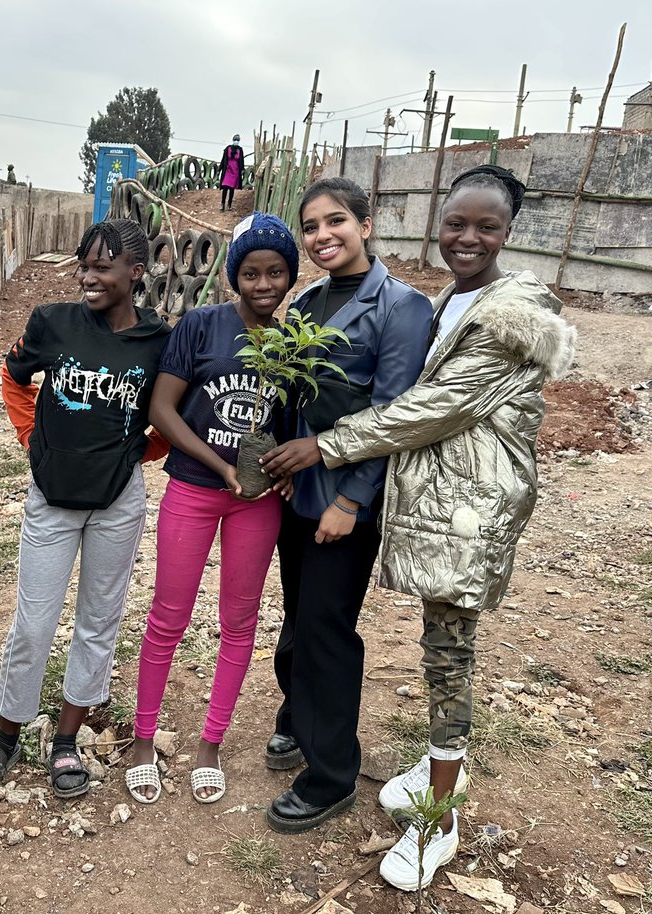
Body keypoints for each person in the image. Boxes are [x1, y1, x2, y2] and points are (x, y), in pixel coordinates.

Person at [261, 165, 575, 890]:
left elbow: (425, 408)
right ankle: (410, 771)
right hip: (428, 501)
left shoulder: (506, 316)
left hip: (469, 510)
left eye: (485, 226)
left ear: (508, 231)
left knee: (446, 656)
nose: (467, 238)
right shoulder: (450, 299)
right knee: (411, 645)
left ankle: (440, 817)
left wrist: (332, 456)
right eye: (456, 223)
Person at [0, 218, 170, 800]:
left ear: (137, 271)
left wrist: (138, 451)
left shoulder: (159, 340)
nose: (89, 277)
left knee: (99, 622)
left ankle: (66, 740)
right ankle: (7, 733)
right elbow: (12, 376)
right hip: (52, 499)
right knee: (33, 622)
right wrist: (33, 439)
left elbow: (174, 411)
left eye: (102, 266)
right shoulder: (52, 323)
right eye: (84, 265)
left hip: (116, 504)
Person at [261, 177, 432, 834]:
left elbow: (394, 415)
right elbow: (290, 397)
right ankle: (295, 721)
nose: (322, 235)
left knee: (327, 633)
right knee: (298, 619)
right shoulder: (307, 301)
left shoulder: (399, 307)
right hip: (296, 494)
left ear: (367, 224)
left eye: (336, 221)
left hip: (343, 502)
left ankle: (330, 774)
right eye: (311, 226)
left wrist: (354, 500)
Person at [125, 213, 295, 806]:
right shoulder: (201, 326)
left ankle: (210, 744)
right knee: (168, 616)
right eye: (251, 272)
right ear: (233, 277)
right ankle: (144, 739)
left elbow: (295, 424)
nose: (264, 283)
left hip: (258, 502)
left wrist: (287, 474)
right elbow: (163, 411)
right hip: (197, 487)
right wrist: (221, 467)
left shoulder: (296, 340)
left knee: (239, 621)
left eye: (276, 272)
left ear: (290, 277)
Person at [218, 135, 244, 213]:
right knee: (225, 187)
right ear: (233, 140)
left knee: (232, 188)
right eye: (235, 139)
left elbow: (241, 161)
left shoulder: (240, 150)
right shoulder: (227, 149)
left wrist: (242, 170)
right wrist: (219, 170)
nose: (236, 141)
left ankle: (229, 204)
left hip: (235, 171)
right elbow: (223, 160)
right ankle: (222, 203)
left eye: (237, 140)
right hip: (227, 170)